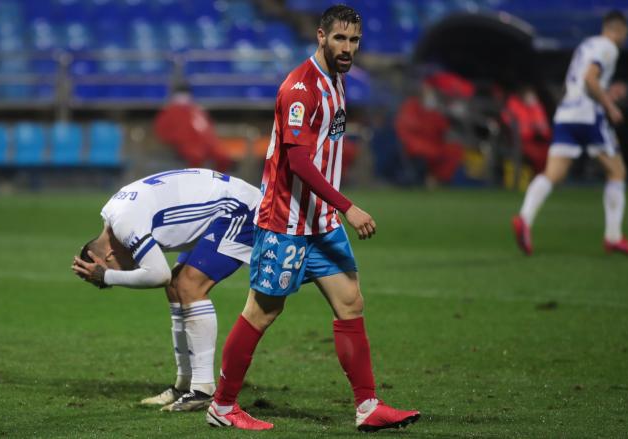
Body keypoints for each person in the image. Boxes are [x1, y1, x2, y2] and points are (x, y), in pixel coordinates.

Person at [205, 5, 420, 432]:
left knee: (350, 303)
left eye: (354, 40)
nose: (347, 48)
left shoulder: (336, 82)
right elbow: (298, 162)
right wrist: (348, 206)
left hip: (320, 223)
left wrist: (332, 211)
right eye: (339, 39)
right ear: (321, 37)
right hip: (286, 222)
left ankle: (367, 406)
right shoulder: (301, 89)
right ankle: (223, 406)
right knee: (262, 311)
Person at [71, 168, 260, 411]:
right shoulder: (113, 212)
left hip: (240, 209)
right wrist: (107, 273)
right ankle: (185, 384)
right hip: (216, 208)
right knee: (175, 288)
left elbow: (158, 274)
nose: (129, 268)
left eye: (109, 267)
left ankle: (203, 390)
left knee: (189, 286)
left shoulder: (124, 224)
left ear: (107, 255)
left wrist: (107, 277)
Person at [512, 10, 628, 256]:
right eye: (626, 33)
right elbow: (590, 78)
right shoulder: (608, 47)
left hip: (566, 114)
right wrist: (609, 105)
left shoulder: (587, 44)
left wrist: (604, 92)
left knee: (553, 174)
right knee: (617, 171)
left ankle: (524, 218)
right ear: (620, 30)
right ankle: (613, 237)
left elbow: (579, 80)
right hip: (588, 117)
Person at [395, 74, 466, 186]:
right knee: (423, 151)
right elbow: (405, 131)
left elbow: (442, 129)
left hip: (433, 145)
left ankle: (440, 180)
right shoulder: (411, 106)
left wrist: (449, 114)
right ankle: (428, 179)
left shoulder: (435, 109)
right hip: (415, 145)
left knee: (453, 149)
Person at [154, 83, 231, 172]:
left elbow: (208, 128)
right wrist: (175, 142)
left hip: (207, 143)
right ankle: (194, 182)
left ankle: (218, 180)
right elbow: (162, 132)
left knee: (222, 156)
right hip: (186, 144)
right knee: (196, 157)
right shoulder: (169, 111)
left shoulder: (196, 110)